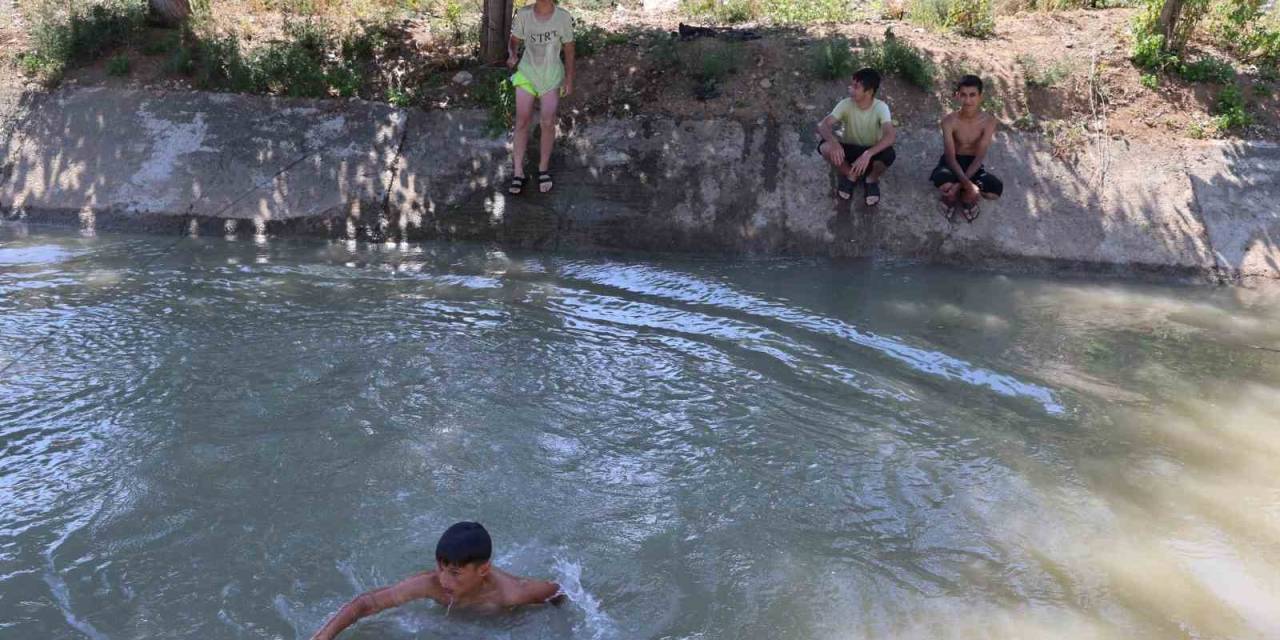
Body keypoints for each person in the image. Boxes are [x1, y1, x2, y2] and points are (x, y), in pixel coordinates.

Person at [309, 522, 564, 639]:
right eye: (440, 568)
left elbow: (561, 592)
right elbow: (369, 603)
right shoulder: (430, 584)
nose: (443, 580)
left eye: (454, 573)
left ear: (483, 569)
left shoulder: (514, 593)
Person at [506, 0, 575, 195]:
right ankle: (518, 172)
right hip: (527, 73)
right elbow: (514, 41)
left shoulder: (562, 17)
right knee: (522, 121)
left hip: (551, 75)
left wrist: (569, 78)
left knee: (547, 121)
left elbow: (569, 48)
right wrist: (512, 53)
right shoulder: (524, 15)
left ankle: (543, 168)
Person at [816, 67, 897, 206]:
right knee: (825, 147)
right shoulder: (846, 104)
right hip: (850, 151)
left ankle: (871, 179)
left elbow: (890, 136)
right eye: (851, 85)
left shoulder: (881, 107)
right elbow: (822, 125)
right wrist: (834, 143)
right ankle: (851, 175)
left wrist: (868, 154)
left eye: (856, 87)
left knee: (889, 154)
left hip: (871, 154)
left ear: (869, 91)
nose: (850, 89)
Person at [931, 75, 1002, 223]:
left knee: (995, 190)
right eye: (963, 95)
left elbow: (979, 157)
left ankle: (964, 197)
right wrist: (968, 185)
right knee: (943, 181)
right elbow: (950, 157)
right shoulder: (948, 121)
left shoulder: (989, 122)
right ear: (957, 96)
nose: (968, 100)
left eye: (972, 95)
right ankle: (957, 196)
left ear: (980, 97)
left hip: (973, 165)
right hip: (952, 163)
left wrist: (960, 186)